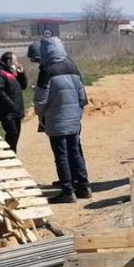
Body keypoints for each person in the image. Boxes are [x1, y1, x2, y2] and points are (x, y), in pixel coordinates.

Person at [33, 37, 90, 203]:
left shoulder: (47, 71)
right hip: (74, 119)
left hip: (56, 119)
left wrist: (40, 115)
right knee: (75, 152)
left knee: (61, 155)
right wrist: (77, 114)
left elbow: (40, 100)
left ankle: (67, 190)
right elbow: (82, 97)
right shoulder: (73, 68)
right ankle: (84, 187)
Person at [0, 51, 27, 151]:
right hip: (7, 111)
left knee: (16, 134)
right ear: (9, 61)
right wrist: (12, 105)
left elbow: (23, 86)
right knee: (12, 133)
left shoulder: (10, 72)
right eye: (15, 60)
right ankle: (7, 156)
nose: (17, 62)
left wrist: (21, 74)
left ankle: (12, 155)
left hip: (16, 110)